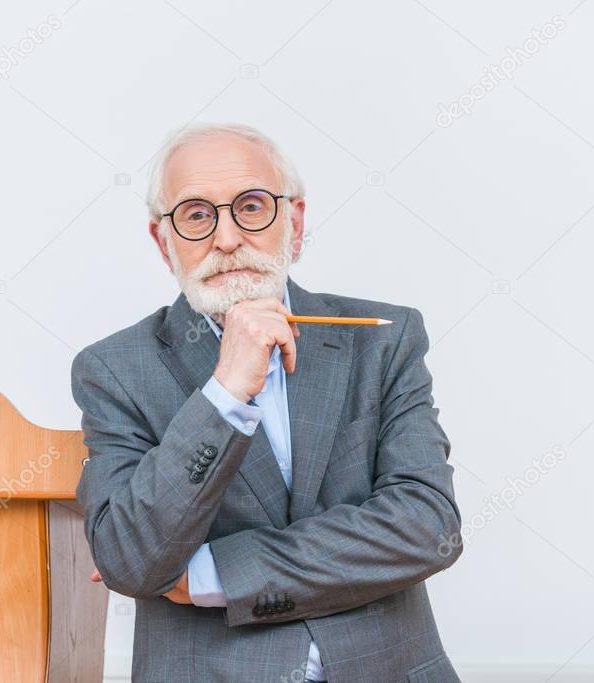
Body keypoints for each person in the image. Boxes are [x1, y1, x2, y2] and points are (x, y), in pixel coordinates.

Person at [70, 122, 464, 682]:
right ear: (165, 243)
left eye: (251, 206)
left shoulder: (383, 338)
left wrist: (215, 574)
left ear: (294, 224)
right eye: (197, 214)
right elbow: (131, 562)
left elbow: (428, 527)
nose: (227, 239)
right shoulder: (113, 369)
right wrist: (225, 392)